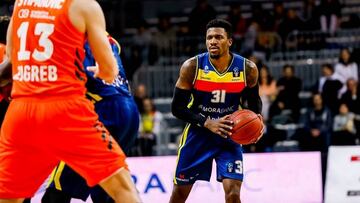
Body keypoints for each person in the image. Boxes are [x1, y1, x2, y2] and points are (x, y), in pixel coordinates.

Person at [0, 0, 141, 202]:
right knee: (121, 190)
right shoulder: (86, 9)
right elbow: (109, 72)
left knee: (11, 197)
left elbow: (10, 65)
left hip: (23, 110)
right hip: (78, 108)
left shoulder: (21, 5)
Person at [169, 19, 263, 203]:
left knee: (233, 194)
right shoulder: (192, 67)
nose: (213, 41)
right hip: (198, 135)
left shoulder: (247, 69)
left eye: (218, 37)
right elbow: (177, 108)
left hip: (230, 134)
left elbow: (253, 102)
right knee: (179, 195)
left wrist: (257, 120)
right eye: (209, 37)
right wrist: (207, 122)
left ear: (229, 41)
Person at [41, 36, 140, 203]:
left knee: (56, 193)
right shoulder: (109, 41)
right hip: (129, 111)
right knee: (106, 189)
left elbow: (80, 78)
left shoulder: (73, 37)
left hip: (104, 110)